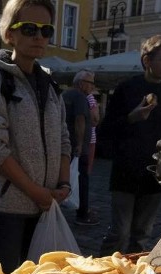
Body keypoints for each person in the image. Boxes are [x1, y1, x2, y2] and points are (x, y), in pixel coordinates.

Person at [0, 0, 70, 274]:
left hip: (46, 202)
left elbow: (64, 137)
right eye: (29, 28)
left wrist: (63, 184)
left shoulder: (49, 84)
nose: (39, 36)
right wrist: (36, 191)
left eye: (46, 30)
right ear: (10, 33)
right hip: (8, 207)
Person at [99, 36, 161, 256]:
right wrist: (131, 118)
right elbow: (105, 130)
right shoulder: (126, 89)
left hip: (154, 176)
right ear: (147, 60)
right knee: (120, 233)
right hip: (125, 173)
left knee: (142, 235)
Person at [62, 69, 98, 226]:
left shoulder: (65, 95)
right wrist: (79, 143)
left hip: (63, 145)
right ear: (82, 83)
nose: (92, 87)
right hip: (77, 147)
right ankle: (82, 213)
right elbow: (80, 120)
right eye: (91, 83)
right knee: (82, 179)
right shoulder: (80, 97)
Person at [87, 90, 100, 174]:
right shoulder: (90, 98)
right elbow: (95, 120)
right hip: (90, 138)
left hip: (78, 138)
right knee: (87, 169)